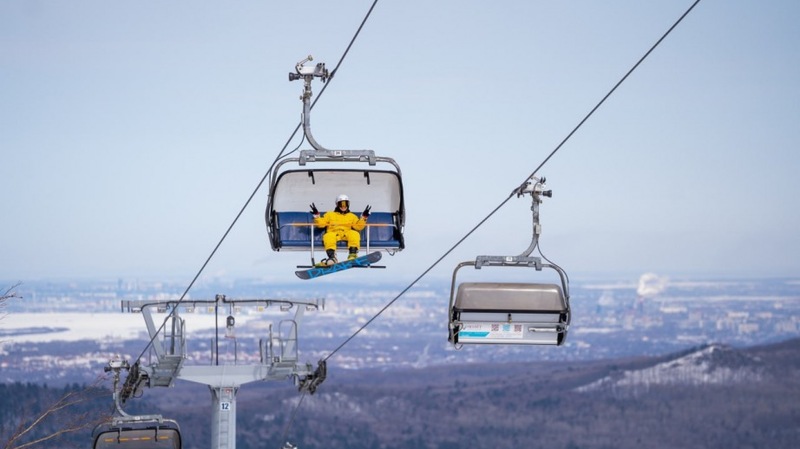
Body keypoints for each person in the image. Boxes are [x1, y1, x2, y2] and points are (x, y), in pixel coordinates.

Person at [310, 194, 371, 265]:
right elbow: (321, 224)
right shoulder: (330, 214)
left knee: (354, 234)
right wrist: (317, 216)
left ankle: (353, 255)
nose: (343, 206)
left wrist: (364, 217)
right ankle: (332, 258)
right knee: (328, 236)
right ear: (337, 204)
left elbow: (359, 227)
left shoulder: (351, 216)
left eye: (345, 204)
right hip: (334, 233)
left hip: (346, 233)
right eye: (341, 204)